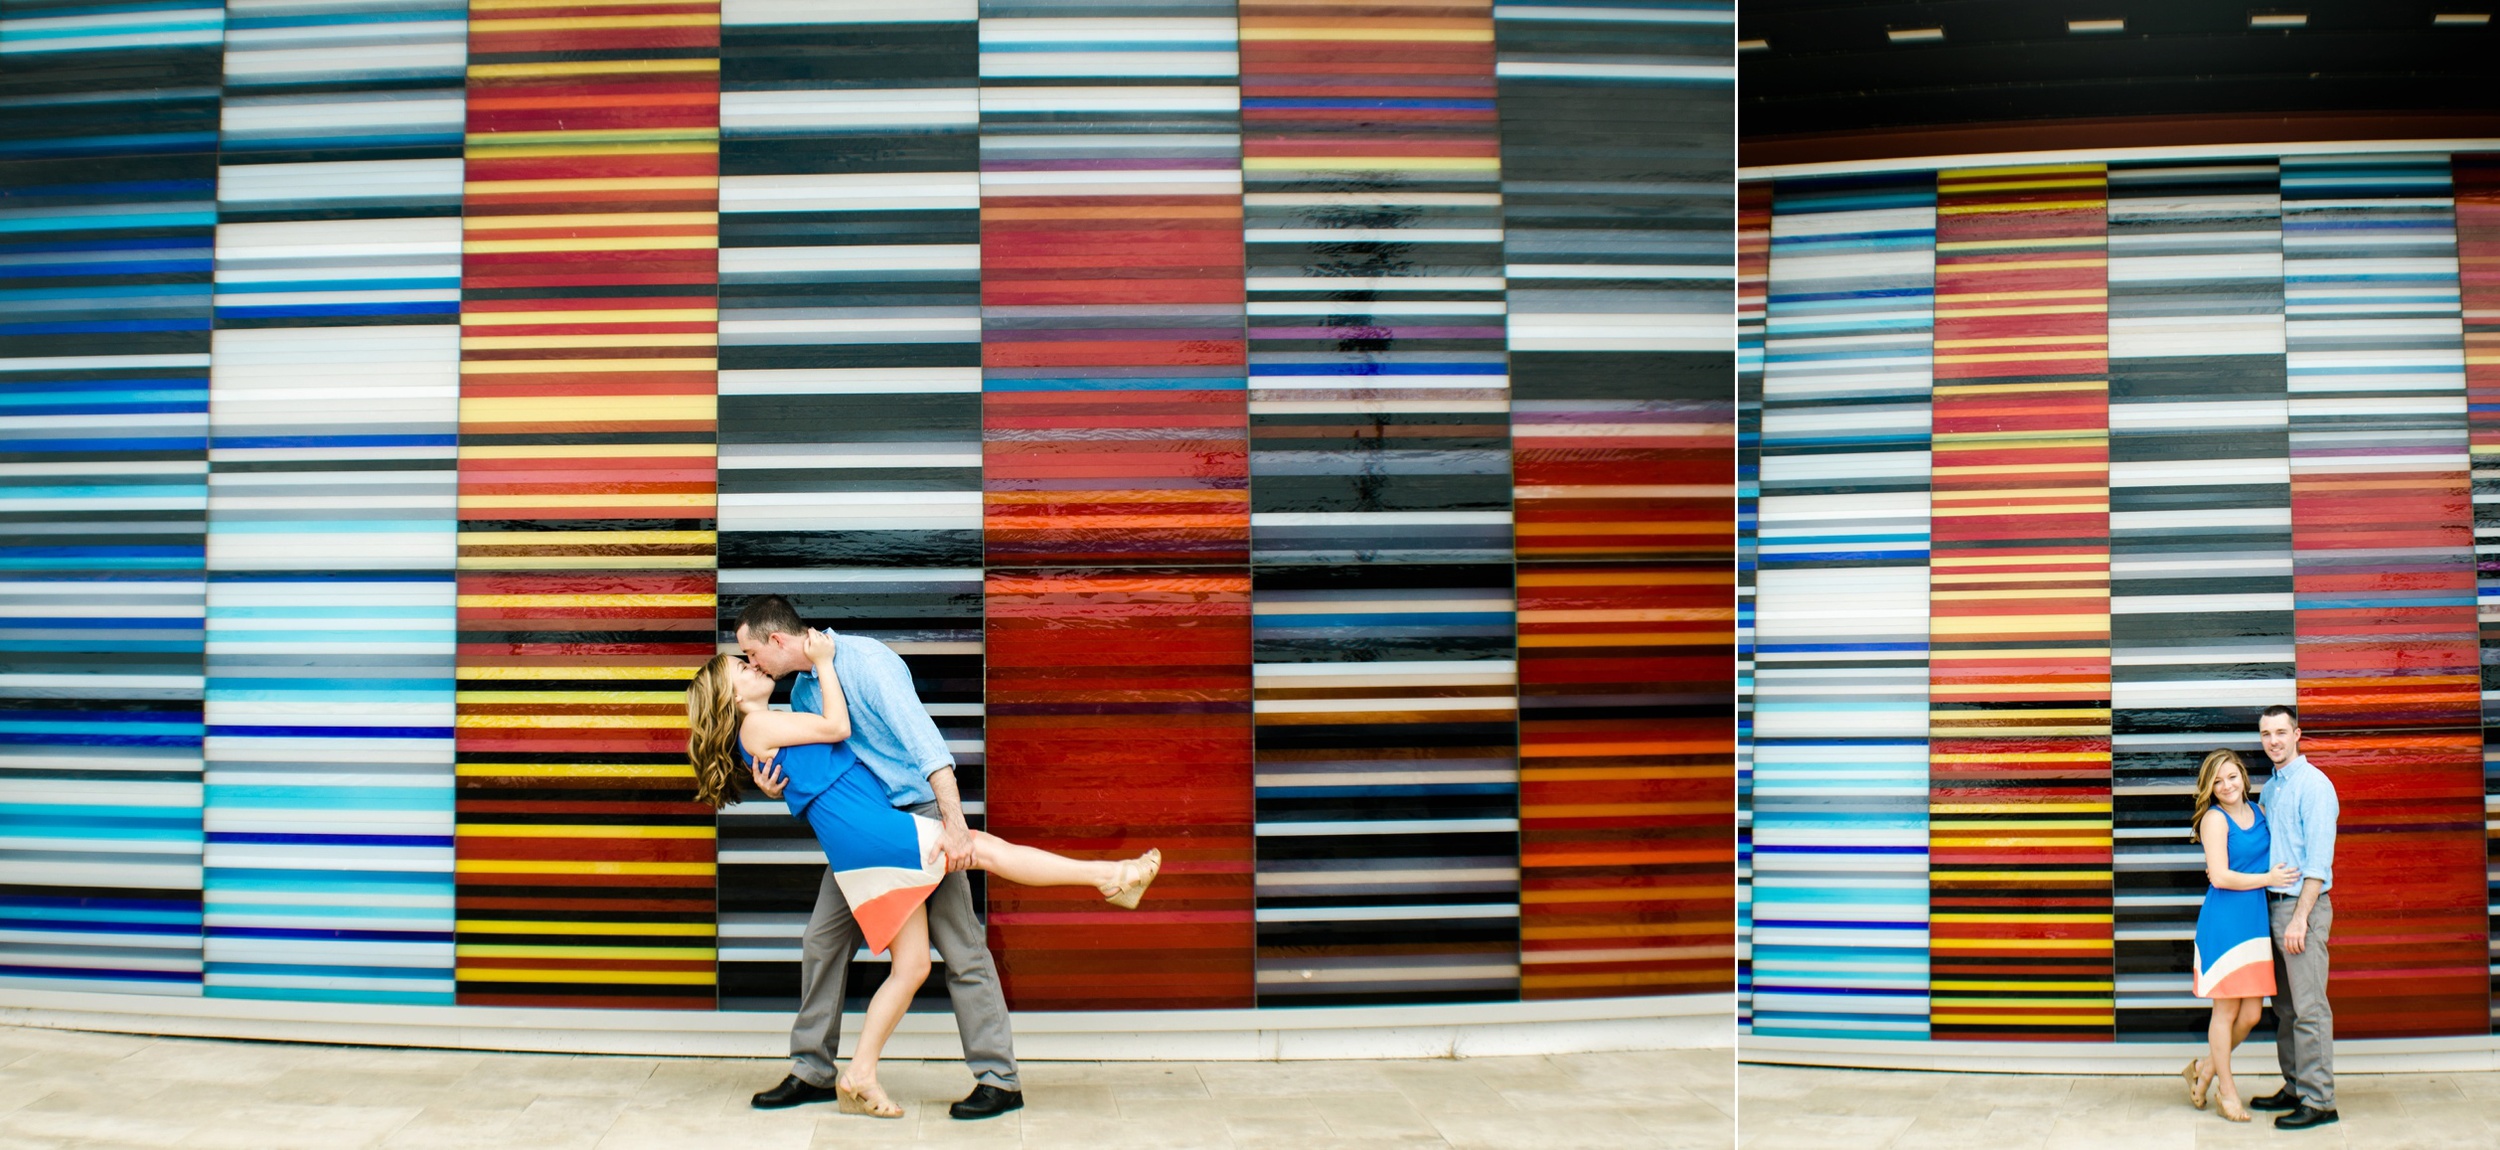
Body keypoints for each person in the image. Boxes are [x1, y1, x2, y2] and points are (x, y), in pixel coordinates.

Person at [685, 631, 1158, 1119]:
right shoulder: (768, 719)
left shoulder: (800, 703)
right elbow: (837, 726)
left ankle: (862, 1074)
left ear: (777, 638)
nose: (753, 664)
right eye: (743, 666)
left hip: (875, 831)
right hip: (876, 834)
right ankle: (1110, 876)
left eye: (751, 654)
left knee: (915, 965)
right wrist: (825, 663)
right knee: (984, 851)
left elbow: (814, 768)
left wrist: (779, 783)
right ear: (734, 698)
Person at [2179, 749, 2298, 1123]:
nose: (2226, 785)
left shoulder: (2260, 812)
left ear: (2243, 777)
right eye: (2217, 781)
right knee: (2227, 1009)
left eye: (2231, 776)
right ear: (2210, 788)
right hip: (2226, 921)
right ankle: (2226, 1091)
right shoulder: (2215, 819)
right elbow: (2220, 876)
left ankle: (2204, 1067)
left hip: (2254, 922)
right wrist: (2268, 879)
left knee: (2249, 1013)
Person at [2246, 704, 2338, 1130]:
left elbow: (2318, 863)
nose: (2273, 741)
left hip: (2303, 908)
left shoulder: (2314, 786)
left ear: (2297, 734)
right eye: (2266, 734)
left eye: (2281, 732)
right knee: (2283, 1007)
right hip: (2272, 906)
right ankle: (2295, 1084)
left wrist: (2300, 917)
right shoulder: (2271, 789)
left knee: (2309, 1007)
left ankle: (2319, 1100)